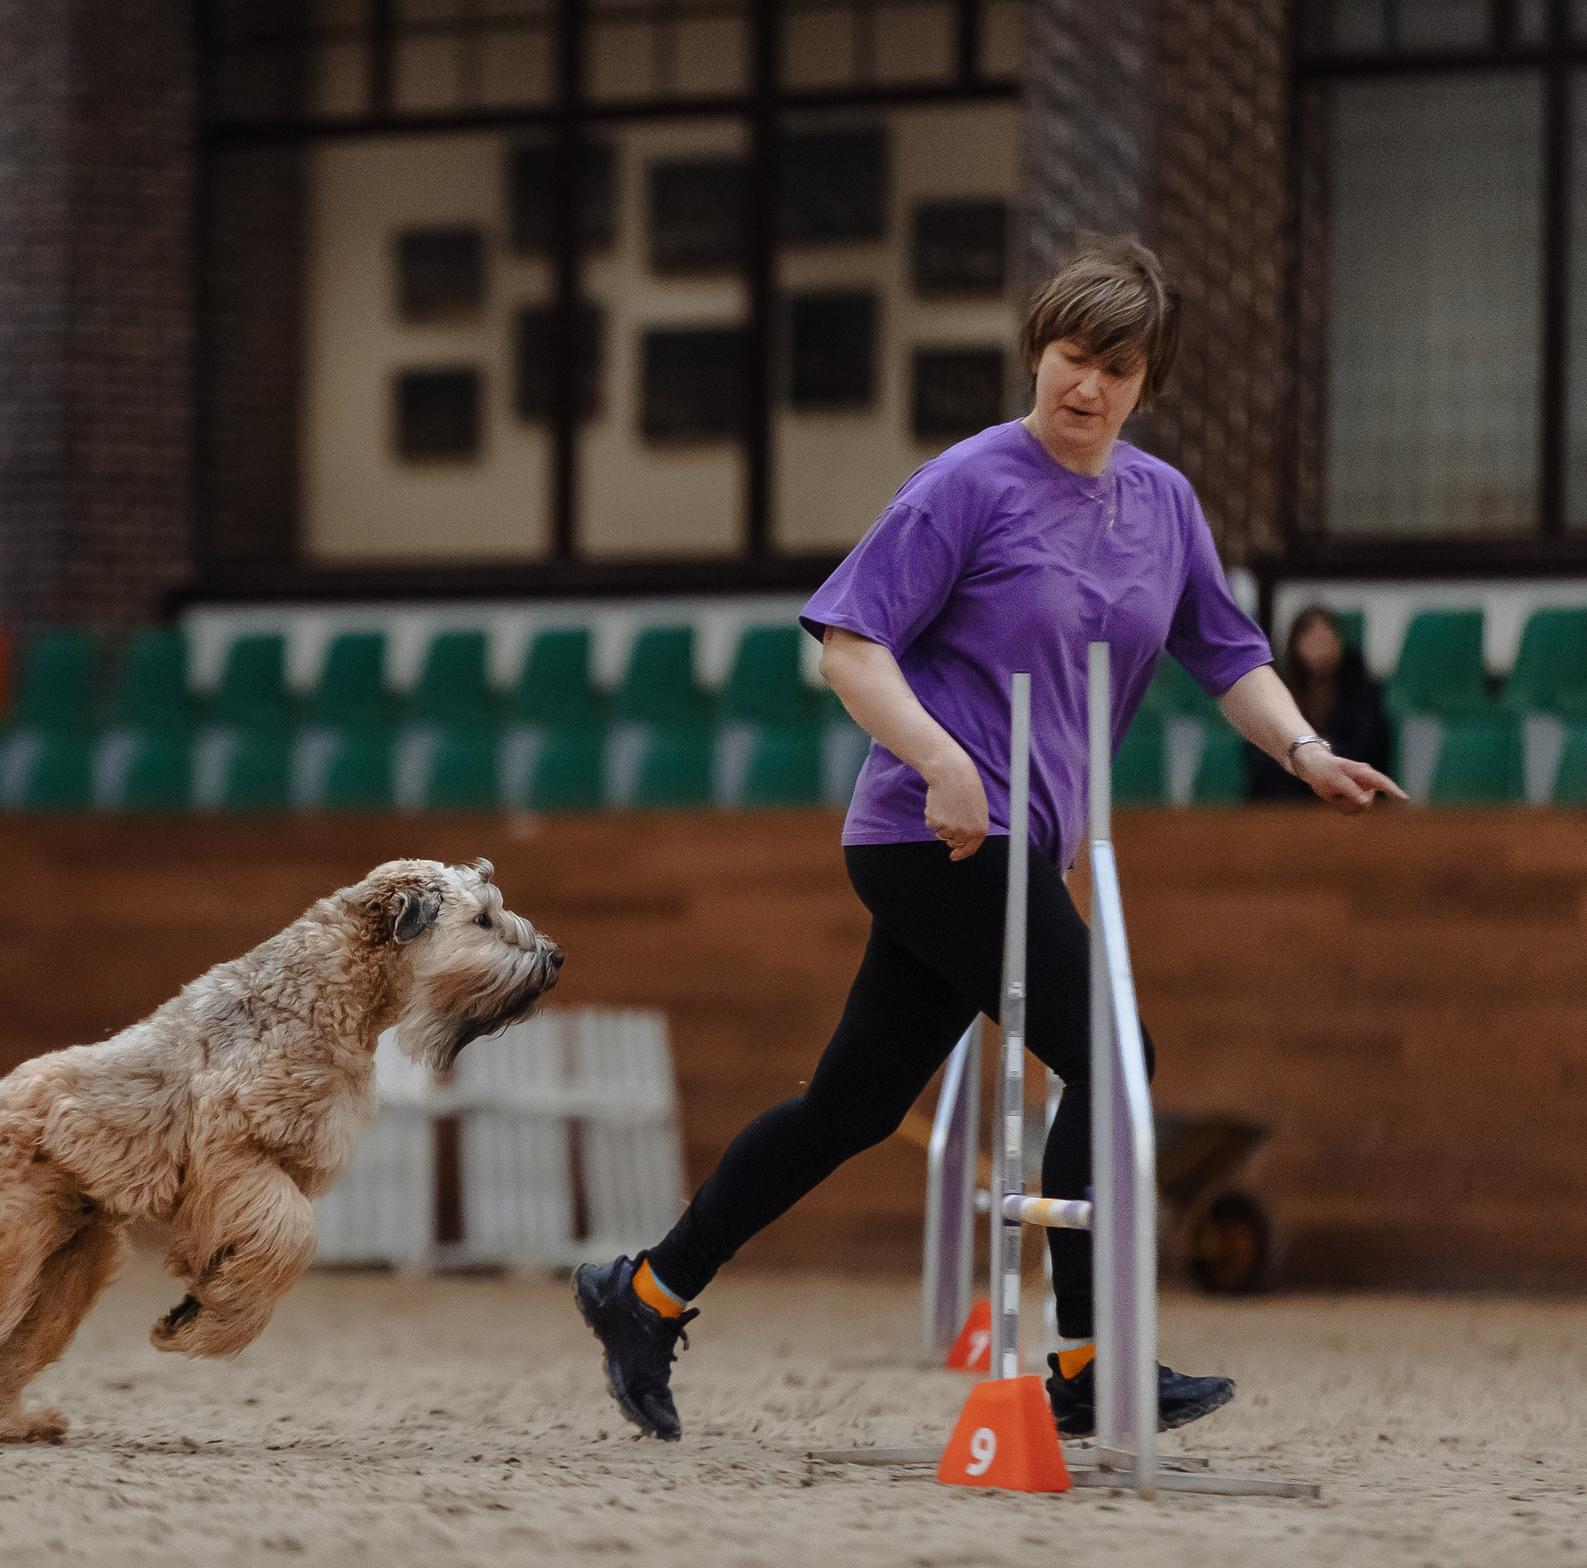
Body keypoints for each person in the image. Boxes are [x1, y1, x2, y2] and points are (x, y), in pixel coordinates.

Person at [574, 238, 1405, 1442]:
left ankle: (644, 1293)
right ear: (1038, 352)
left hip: (1016, 846)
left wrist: (1302, 749)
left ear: (1145, 384)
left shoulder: (1161, 503)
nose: (1090, 387)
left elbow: (1226, 654)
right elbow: (849, 645)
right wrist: (941, 759)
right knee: (1116, 1055)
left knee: (850, 1109)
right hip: (932, 833)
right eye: (1074, 357)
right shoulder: (964, 483)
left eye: (1118, 370)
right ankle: (1082, 1363)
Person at [1244, 605, 1391, 803]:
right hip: (1287, 803)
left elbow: (1367, 750)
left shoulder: (1364, 693)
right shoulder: (1277, 693)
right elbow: (1261, 756)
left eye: (1326, 640)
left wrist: (1315, 757)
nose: (1320, 649)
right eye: (1312, 641)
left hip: (1349, 799)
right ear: (1295, 645)